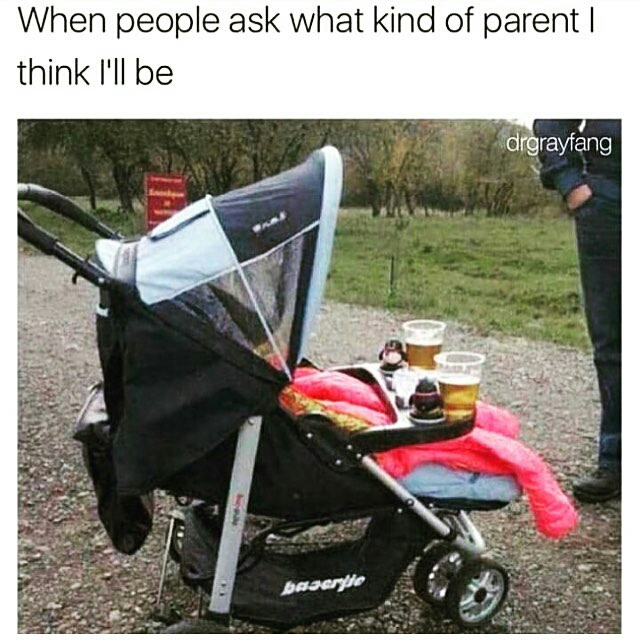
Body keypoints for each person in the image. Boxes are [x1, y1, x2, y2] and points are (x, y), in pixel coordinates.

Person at [533, 119, 621, 503]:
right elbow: (552, 121)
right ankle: (616, 459)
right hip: (609, 200)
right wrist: (570, 183)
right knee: (613, 342)